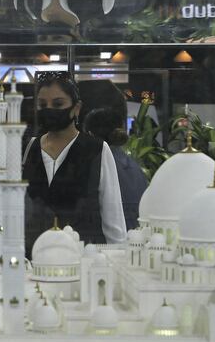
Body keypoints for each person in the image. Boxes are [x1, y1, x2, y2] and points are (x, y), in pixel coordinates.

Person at [22, 72, 126, 256]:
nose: (49, 109)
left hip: (84, 259)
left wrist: (118, 259)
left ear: (76, 108)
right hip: (35, 257)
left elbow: (113, 219)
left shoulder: (97, 150)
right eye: (42, 105)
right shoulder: (31, 147)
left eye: (58, 104)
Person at [84, 107, 148, 230]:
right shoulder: (135, 167)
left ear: (90, 135)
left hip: (107, 244)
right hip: (136, 239)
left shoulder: (96, 167)